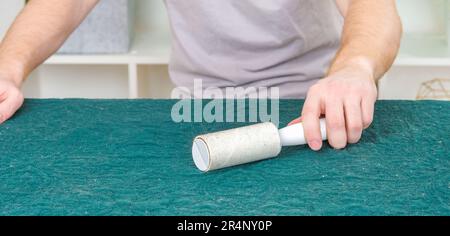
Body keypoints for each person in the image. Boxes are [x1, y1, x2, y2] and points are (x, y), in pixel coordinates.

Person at [0, 0, 402, 150]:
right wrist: (7, 67)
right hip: (198, 110)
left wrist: (355, 67)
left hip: (312, 111)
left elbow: (373, 7)